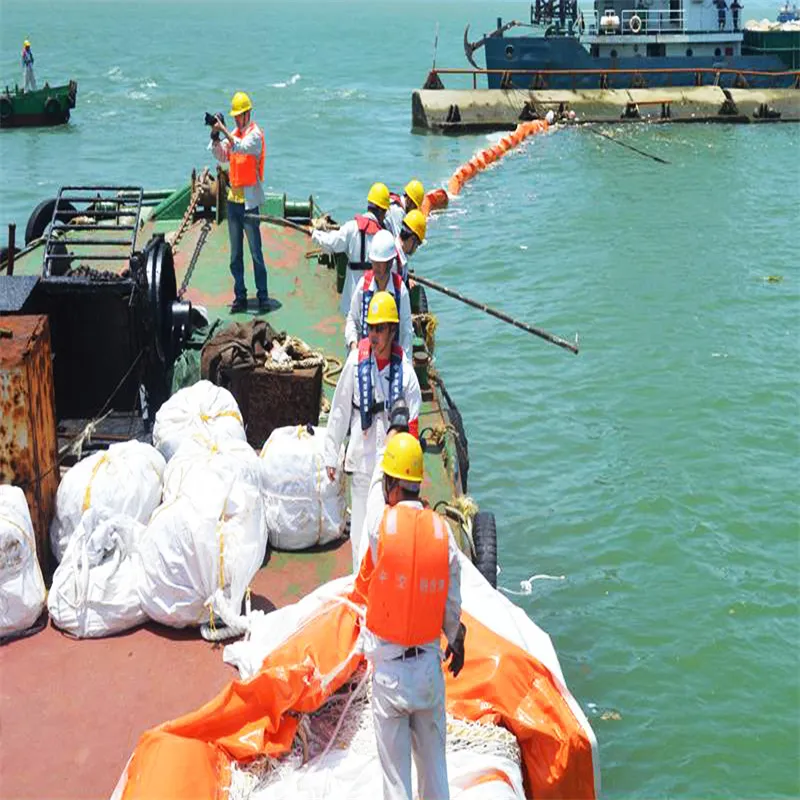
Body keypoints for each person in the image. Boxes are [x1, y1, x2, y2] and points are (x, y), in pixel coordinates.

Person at [353, 431, 466, 800]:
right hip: (428, 671)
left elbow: (372, 499)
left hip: (390, 674)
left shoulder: (380, 527)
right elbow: (452, 600)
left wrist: (384, 448)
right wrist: (455, 636)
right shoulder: (443, 533)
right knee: (435, 775)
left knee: (395, 782)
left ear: (390, 485)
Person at [324, 292, 421, 571]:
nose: (374, 335)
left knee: (384, 536)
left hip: (391, 473)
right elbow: (340, 409)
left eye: (380, 329)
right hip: (362, 460)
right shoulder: (355, 363)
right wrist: (332, 455)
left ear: (392, 331)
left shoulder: (406, 373)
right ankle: (360, 586)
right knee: (359, 538)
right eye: (371, 328)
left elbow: (412, 426)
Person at [211, 91, 269, 314]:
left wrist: (225, 131)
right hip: (233, 203)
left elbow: (241, 147)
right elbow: (222, 155)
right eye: (233, 116)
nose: (236, 119)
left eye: (238, 115)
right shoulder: (233, 134)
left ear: (247, 114)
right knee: (235, 254)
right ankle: (240, 295)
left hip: (250, 203)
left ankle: (262, 295)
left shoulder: (255, 135)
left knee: (256, 252)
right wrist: (215, 136)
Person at [312, 183, 391, 315]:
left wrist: (315, 234)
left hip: (351, 299)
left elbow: (331, 243)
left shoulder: (351, 228)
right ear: (382, 211)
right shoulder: (383, 236)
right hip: (373, 302)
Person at [345, 230, 413, 360]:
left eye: (379, 263)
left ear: (389, 263)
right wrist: (354, 347)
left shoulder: (400, 290)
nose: (375, 267)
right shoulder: (363, 285)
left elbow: (406, 331)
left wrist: (405, 363)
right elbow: (352, 319)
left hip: (391, 361)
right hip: (366, 358)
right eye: (374, 262)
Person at [393, 209, 426, 285]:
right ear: (412, 239)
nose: (416, 248)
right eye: (418, 244)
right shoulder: (394, 262)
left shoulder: (400, 255)